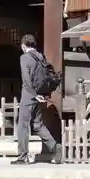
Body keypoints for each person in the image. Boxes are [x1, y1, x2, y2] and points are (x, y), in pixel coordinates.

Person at [13, 34, 60, 164]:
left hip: (29, 95)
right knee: (37, 124)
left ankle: (23, 156)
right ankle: (55, 147)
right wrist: (39, 95)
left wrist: (33, 94)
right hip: (41, 94)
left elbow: (26, 79)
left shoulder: (24, 58)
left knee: (23, 126)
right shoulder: (40, 56)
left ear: (23, 46)